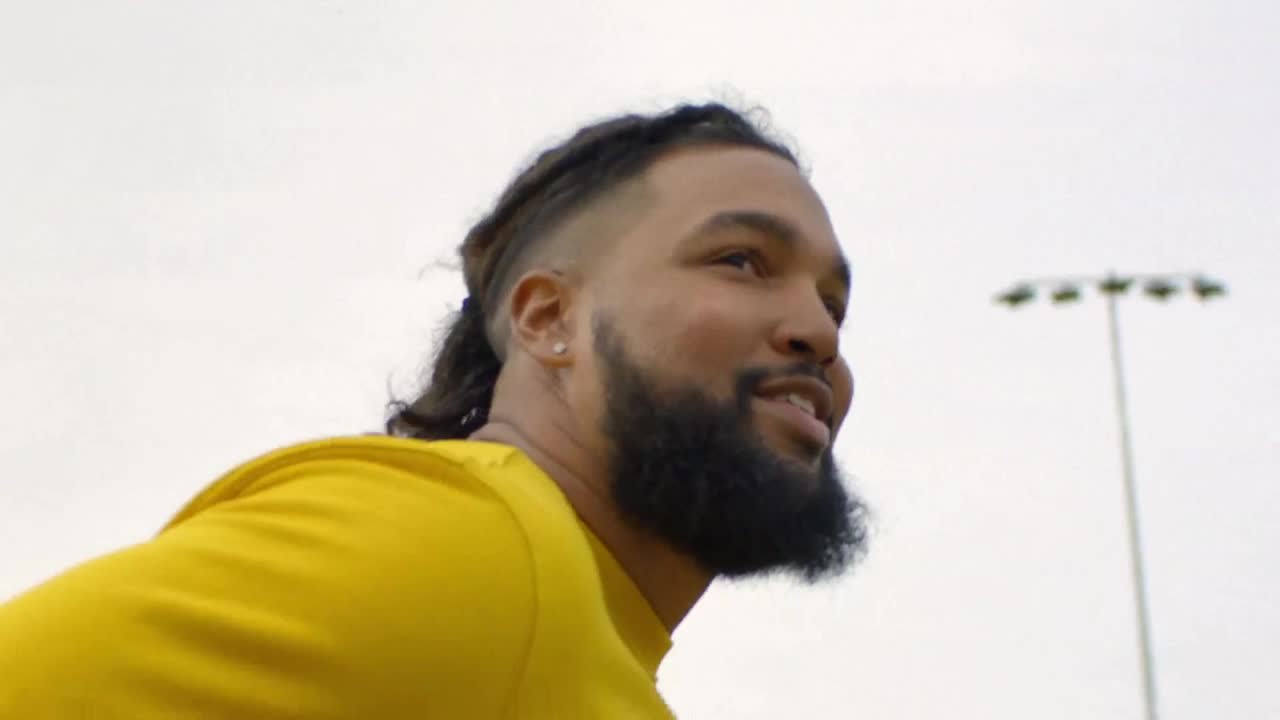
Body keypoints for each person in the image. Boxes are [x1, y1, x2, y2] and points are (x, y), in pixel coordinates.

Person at [0, 103, 868, 718]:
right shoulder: (476, 550)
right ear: (548, 319)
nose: (815, 335)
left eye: (835, 306)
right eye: (741, 262)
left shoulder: (555, 644)